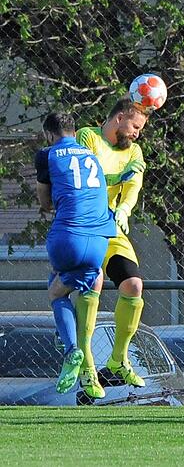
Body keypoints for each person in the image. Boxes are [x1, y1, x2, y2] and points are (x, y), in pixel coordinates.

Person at [35, 112, 117, 397]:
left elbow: (45, 202)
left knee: (57, 293)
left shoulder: (47, 154)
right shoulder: (93, 153)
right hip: (100, 240)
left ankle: (72, 350)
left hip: (68, 236)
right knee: (71, 282)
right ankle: (79, 352)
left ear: (50, 134)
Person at [76, 97, 148, 389]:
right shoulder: (87, 136)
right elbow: (86, 176)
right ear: (119, 118)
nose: (137, 134)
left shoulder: (135, 150)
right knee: (94, 281)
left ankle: (118, 359)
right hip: (85, 224)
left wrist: (125, 208)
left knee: (133, 285)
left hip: (112, 227)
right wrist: (118, 175)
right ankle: (86, 362)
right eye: (135, 126)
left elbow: (134, 184)